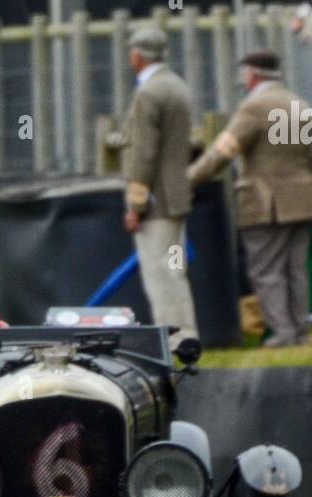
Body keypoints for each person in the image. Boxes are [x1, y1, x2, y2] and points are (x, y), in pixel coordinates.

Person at [187, 51, 312, 348]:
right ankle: (300, 331)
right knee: (296, 268)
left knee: (267, 270)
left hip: (267, 202)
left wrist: (187, 180)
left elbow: (222, 152)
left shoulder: (253, 108)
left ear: (252, 75)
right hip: (303, 198)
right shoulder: (299, 104)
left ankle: (283, 332)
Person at [120, 24, 198, 344]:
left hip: (155, 203)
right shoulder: (177, 86)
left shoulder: (148, 93)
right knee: (176, 271)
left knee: (159, 274)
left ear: (137, 55)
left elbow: (145, 154)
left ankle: (173, 340)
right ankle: (187, 334)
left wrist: (136, 205)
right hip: (177, 196)